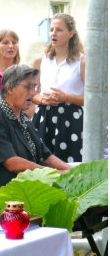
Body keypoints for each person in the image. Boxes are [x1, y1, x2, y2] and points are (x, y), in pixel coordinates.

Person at [0, 64, 71, 206]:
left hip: (25, 197)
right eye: (28, 87)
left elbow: (46, 155)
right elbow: (12, 162)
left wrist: (71, 170)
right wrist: (54, 173)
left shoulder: (23, 117)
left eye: (35, 87)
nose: (33, 92)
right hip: (0, 199)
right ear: (9, 88)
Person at [31, 14, 86, 163]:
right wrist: (43, 99)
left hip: (71, 119)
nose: (53, 33)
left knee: (70, 164)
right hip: (44, 117)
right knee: (42, 164)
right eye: (51, 29)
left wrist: (66, 98)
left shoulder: (81, 61)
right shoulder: (40, 60)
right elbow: (31, 93)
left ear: (70, 34)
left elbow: (91, 99)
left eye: (59, 30)